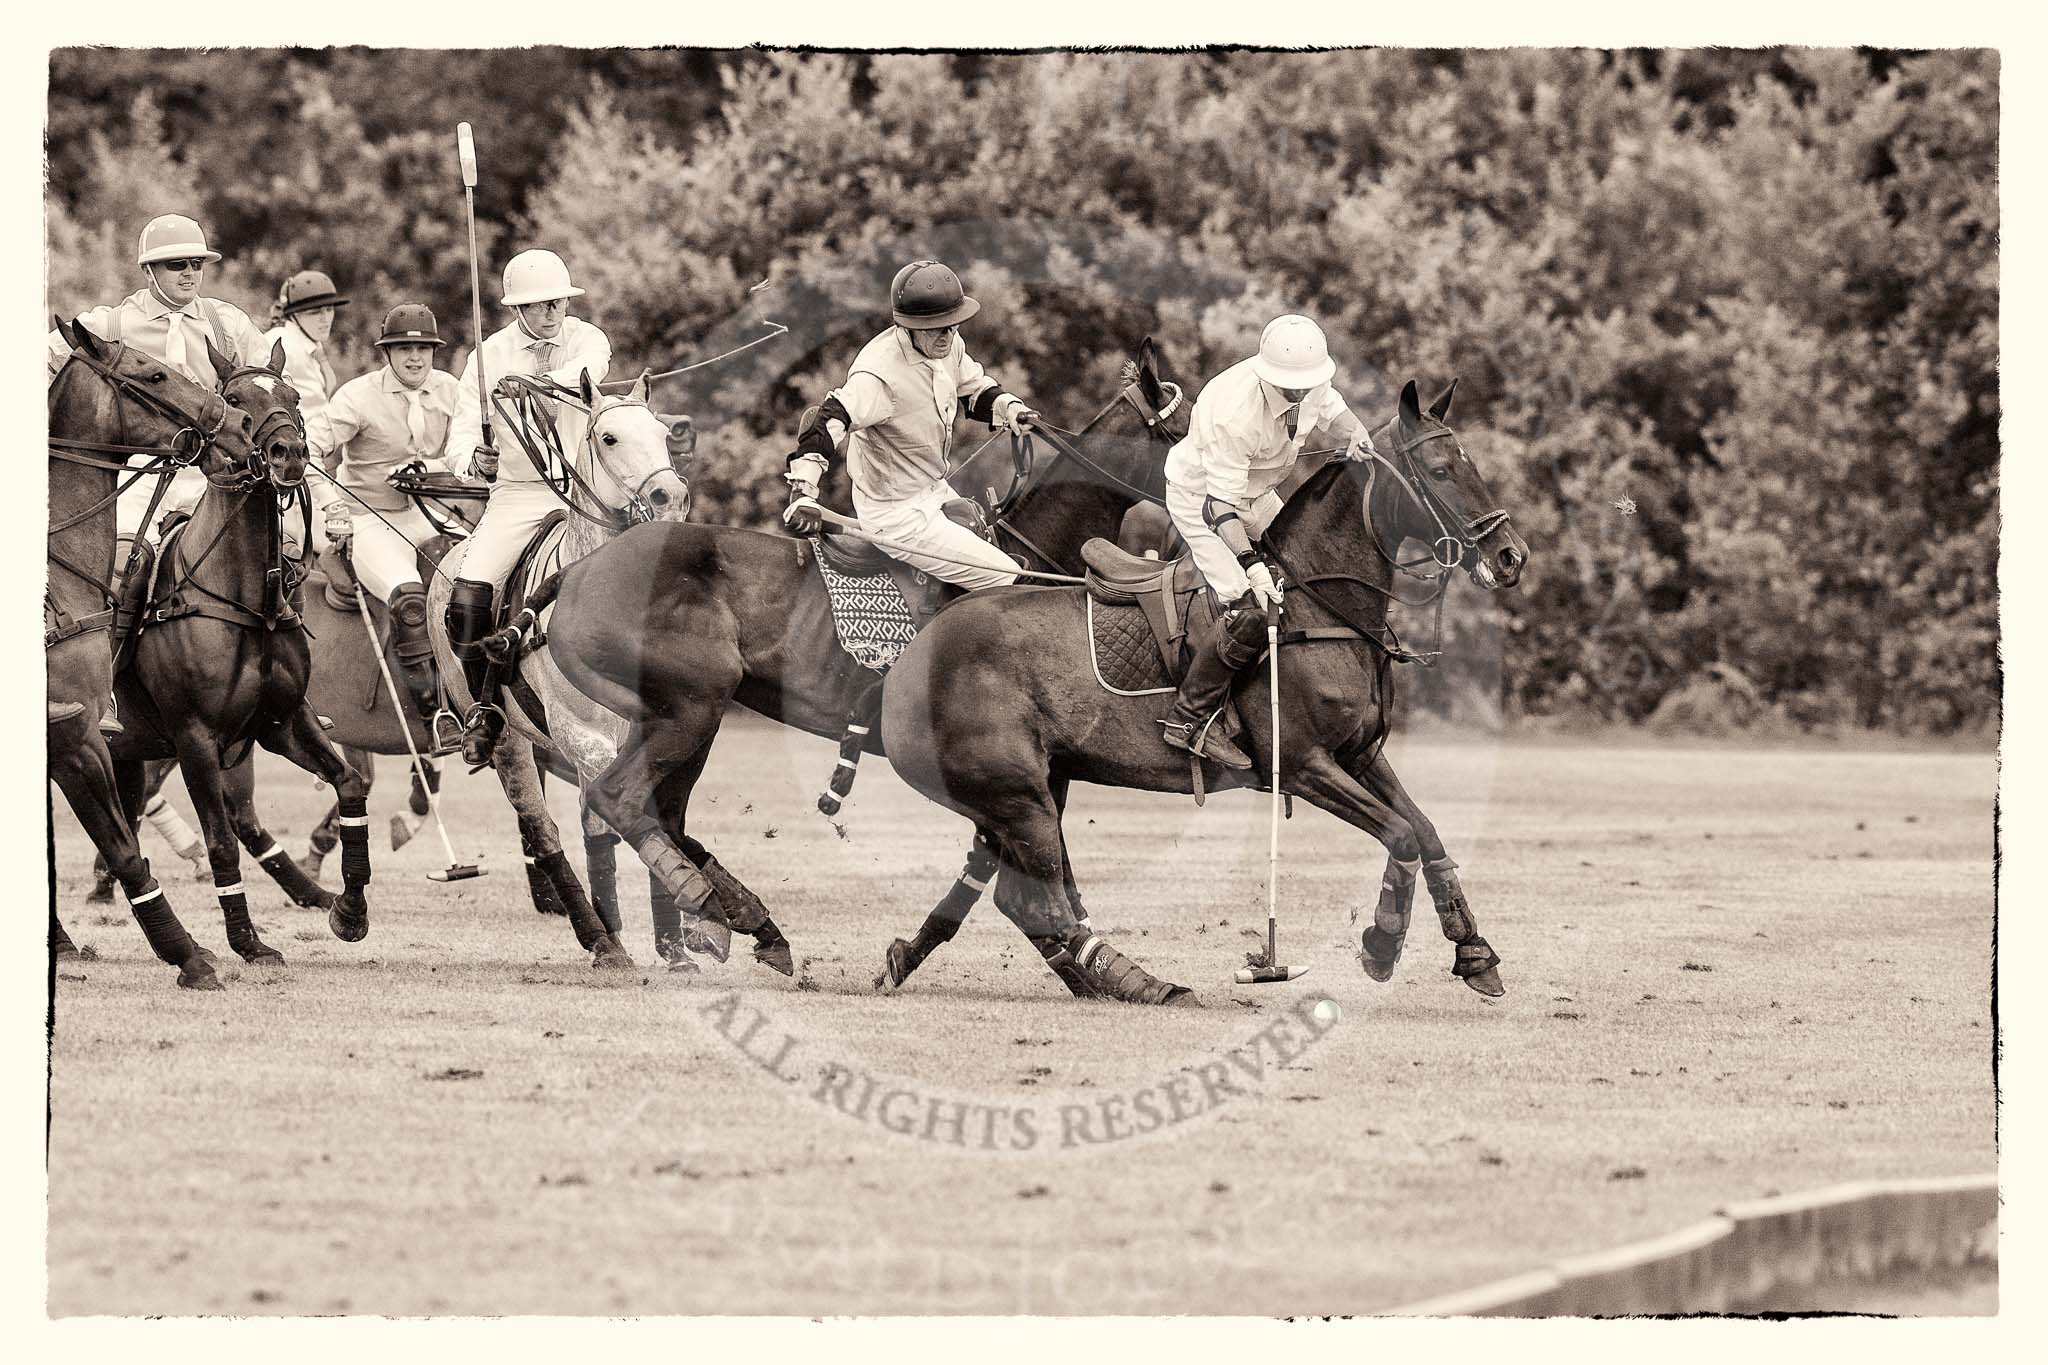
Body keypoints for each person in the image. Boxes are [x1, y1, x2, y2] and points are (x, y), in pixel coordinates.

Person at [46, 213, 274, 734]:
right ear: (150, 272)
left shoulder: (226, 323)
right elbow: (43, 357)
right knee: (127, 561)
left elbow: (265, 384)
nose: (189, 274)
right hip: (142, 476)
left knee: (275, 558)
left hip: (215, 474)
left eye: (196, 264)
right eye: (176, 265)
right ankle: (104, 691)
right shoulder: (113, 324)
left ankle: (285, 686)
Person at [1158, 314, 1378, 769]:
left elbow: (1335, 412)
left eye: (1306, 385)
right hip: (1203, 500)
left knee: (1304, 582)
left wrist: (1356, 433)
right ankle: (1191, 717)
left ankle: (1291, 707)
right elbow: (1219, 507)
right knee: (1249, 604)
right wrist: (1251, 564)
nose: (1300, 393)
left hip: (1255, 494)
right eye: (1290, 387)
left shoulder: (1310, 380)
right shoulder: (1233, 414)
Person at [442, 248, 611, 763]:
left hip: (587, 493)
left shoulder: (587, 339)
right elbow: (460, 438)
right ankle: (485, 706)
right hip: (519, 495)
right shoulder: (487, 357)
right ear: (516, 310)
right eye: (537, 305)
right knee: (468, 601)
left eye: (557, 301)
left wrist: (532, 384)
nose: (550, 312)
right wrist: (477, 461)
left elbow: (587, 372)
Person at [781, 260, 1038, 590]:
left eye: (954, 324)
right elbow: (831, 417)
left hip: (935, 491)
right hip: (897, 517)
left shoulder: (948, 345)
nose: (949, 334)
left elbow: (974, 389)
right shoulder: (879, 374)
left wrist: (1011, 408)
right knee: (1011, 582)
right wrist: (804, 491)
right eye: (938, 327)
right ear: (909, 325)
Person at [309, 304, 466, 751]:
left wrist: (434, 466)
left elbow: (468, 451)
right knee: (409, 596)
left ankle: (480, 697)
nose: (414, 357)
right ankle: (434, 715)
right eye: (403, 349)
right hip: (367, 517)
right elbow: (308, 452)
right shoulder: (358, 397)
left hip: (428, 514)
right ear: (388, 353)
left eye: (422, 348)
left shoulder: (452, 391)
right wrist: (332, 506)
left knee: (475, 584)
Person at [263, 269, 351, 431]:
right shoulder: (279, 343)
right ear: (294, 315)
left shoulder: (312, 343)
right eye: (315, 312)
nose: (325, 319)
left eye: (329, 309)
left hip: (325, 436)